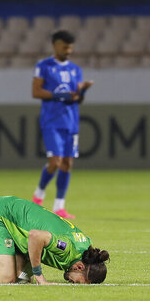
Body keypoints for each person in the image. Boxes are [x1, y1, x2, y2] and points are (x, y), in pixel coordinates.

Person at [0, 196, 109, 285]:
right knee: (4, 278)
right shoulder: (68, 248)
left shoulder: (85, 246)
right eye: (77, 281)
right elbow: (36, 237)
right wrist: (39, 276)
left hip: (18, 225)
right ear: (80, 267)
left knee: (20, 280)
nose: (72, 283)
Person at [31, 30, 94, 219]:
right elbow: (36, 92)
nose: (69, 50)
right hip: (51, 121)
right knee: (55, 162)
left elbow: (76, 99)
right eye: (65, 47)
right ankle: (39, 195)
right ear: (55, 45)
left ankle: (59, 206)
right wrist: (60, 95)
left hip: (71, 121)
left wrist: (82, 92)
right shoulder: (44, 66)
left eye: (71, 47)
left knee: (67, 163)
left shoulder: (75, 69)